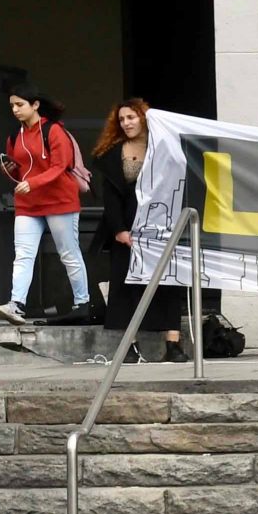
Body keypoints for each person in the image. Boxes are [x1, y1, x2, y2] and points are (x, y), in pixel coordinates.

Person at [88, 99, 186, 362]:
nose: (126, 123)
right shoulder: (112, 153)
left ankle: (173, 344)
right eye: (121, 119)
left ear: (144, 117)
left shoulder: (165, 147)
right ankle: (130, 346)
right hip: (126, 226)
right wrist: (119, 229)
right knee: (124, 284)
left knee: (168, 282)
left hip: (162, 225)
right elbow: (110, 197)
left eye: (131, 117)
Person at [0, 82, 92, 327]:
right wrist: (8, 170)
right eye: (12, 106)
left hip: (59, 200)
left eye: (20, 104)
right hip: (28, 203)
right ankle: (16, 304)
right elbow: (19, 171)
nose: (15, 110)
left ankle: (83, 303)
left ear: (35, 105)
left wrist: (32, 182)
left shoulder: (54, 130)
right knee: (23, 254)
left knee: (68, 253)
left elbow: (60, 166)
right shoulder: (15, 136)